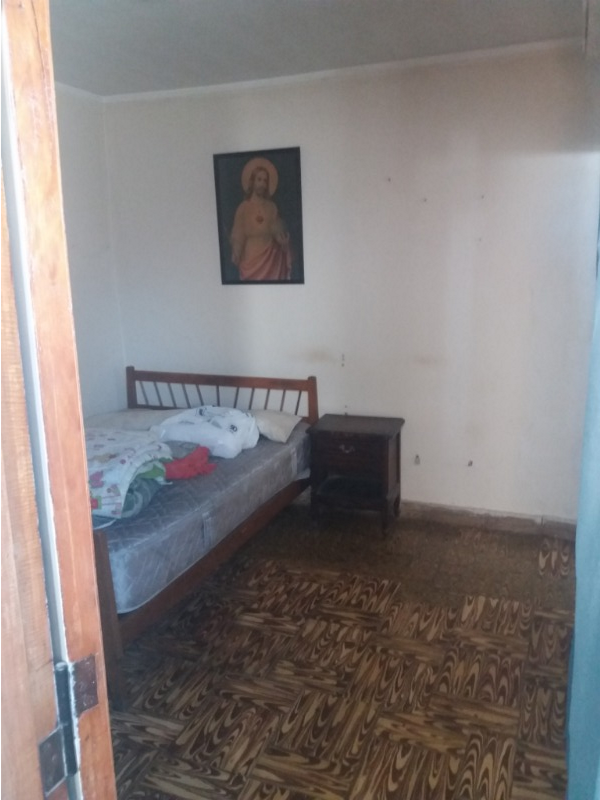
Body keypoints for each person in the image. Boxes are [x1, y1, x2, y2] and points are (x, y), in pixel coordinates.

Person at [230, 158, 293, 281]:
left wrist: (283, 242)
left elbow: (277, 230)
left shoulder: (271, 207)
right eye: (259, 179)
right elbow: (238, 234)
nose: (262, 184)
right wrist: (236, 251)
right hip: (250, 258)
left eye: (265, 181)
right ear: (252, 181)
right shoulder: (243, 208)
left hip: (271, 258)